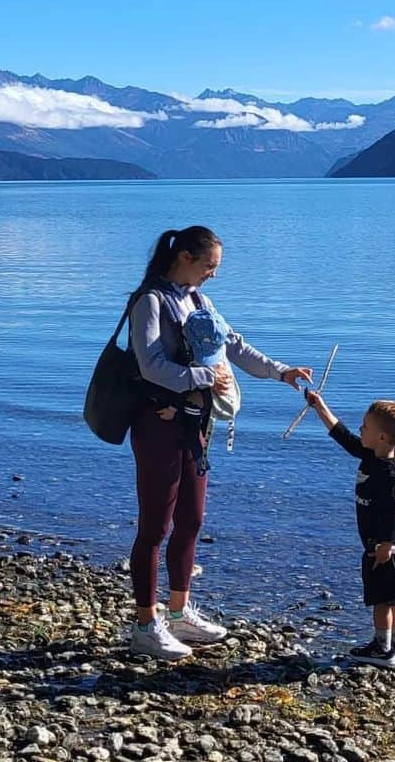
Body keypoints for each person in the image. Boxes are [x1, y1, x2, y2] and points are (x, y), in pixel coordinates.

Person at [127, 225, 312, 660]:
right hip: (157, 423)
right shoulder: (149, 302)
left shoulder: (198, 300)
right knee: (155, 527)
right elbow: (151, 366)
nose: (213, 274)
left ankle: (177, 613)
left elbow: (232, 345)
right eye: (209, 266)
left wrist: (281, 371)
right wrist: (208, 377)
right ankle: (144, 624)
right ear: (185, 257)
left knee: (191, 519)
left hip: (194, 424)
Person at [304, 389, 395, 667]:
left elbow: (393, 510)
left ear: (381, 437)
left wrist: (385, 545)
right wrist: (320, 407)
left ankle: (383, 649)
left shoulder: (389, 473)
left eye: (364, 427)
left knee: (382, 600)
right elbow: (343, 436)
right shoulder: (372, 453)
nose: (359, 429)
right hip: (392, 543)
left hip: (385, 545)